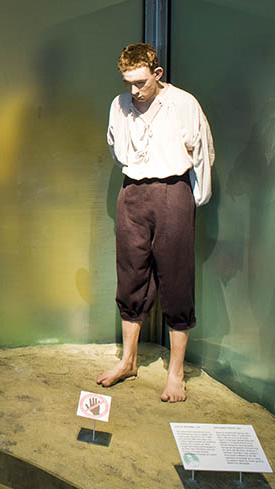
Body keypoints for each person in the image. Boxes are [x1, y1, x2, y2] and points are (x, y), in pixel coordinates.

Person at [97, 43, 214, 402]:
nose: (134, 90)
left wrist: (190, 200)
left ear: (157, 74)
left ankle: (175, 373)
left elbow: (204, 152)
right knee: (130, 274)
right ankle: (128, 360)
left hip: (172, 192)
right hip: (133, 193)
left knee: (177, 277)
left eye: (141, 82)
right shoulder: (119, 105)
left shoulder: (184, 103)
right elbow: (116, 146)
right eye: (128, 82)